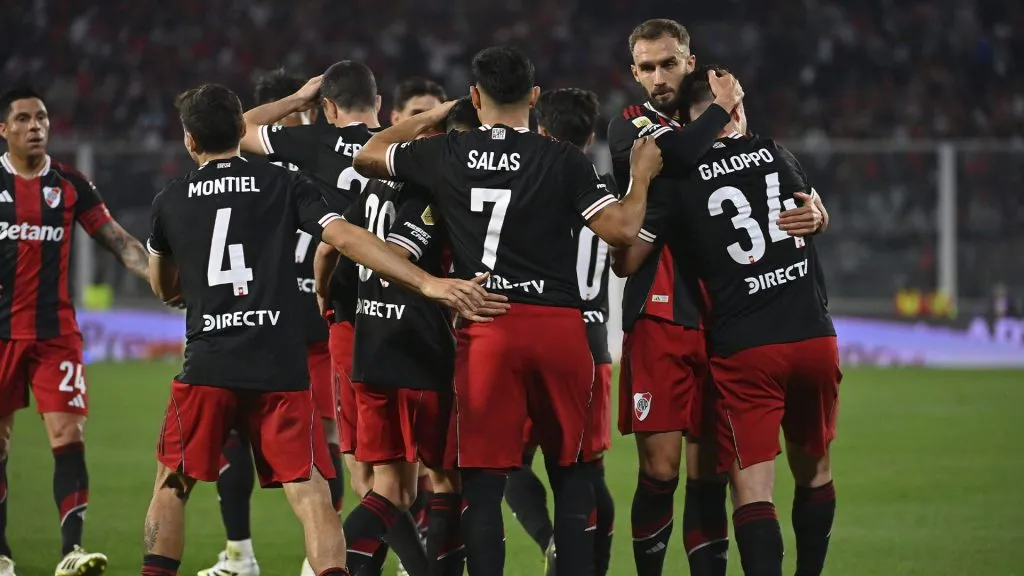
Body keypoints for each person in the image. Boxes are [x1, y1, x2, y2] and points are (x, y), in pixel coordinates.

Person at [140, 83, 493, 576]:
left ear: (189, 141)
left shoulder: (170, 199)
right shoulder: (282, 182)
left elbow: (164, 286)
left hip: (208, 361)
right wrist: (428, 283)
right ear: (239, 129)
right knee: (310, 493)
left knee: (172, 482)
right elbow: (344, 238)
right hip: (278, 366)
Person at [353, 45, 663, 575]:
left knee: (484, 479)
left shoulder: (448, 151)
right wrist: (641, 177)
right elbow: (621, 231)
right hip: (559, 329)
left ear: (474, 96)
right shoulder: (563, 157)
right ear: (535, 98)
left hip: (487, 325)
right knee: (571, 471)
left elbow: (368, 153)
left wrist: (432, 115)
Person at [634, 66, 836, 576]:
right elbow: (807, 211)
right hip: (814, 334)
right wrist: (820, 216)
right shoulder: (775, 151)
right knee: (815, 472)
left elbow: (628, 257)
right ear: (736, 111)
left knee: (752, 490)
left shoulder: (676, 177)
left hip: (745, 345)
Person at [237, 61, 432, 574]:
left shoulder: (314, 142)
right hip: (408, 311)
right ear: (380, 99)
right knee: (402, 478)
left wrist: (295, 101)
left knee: (366, 468)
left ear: (326, 106)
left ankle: (334, 562)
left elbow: (237, 128)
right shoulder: (398, 148)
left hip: (346, 311)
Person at [605, 18, 740, 576]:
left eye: (668, 63)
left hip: (725, 314)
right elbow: (680, 158)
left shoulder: (714, 121)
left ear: (690, 60)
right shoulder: (629, 127)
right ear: (633, 74)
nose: (659, 77)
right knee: (660, 472)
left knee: (710, 472)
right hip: (659, 311)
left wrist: (816, 209)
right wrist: (721, 114)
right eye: (647, 67)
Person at [0, 86, 153, 576]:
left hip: (56, 334)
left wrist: (160, 277)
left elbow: (118, 241)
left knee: (68, 434)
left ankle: (71, 551)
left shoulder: (69, 183)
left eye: (41, 117)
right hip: (1, 335)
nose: (35, 126)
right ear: (4, 130)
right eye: (22, 119)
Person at [200, 67, 323, 576]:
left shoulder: (318, 159)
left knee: (321, 452)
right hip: (254, 321)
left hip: (313, 331)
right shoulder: (249, 170)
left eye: (300, 114)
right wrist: (294, 101)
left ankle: (315, 560)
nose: (292, 124)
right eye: (284, 115)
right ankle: (240, 553)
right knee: (233, 442)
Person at [501, 88, 616, 576]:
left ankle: (557, 546)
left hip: (540, 334)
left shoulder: (532, 187)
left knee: (509, 464)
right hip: (593, 347)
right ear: (591, 137)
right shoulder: (608, 192)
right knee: (588, 474)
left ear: (540, 132)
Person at [388, 77, 448, 576]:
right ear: (397, 120)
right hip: (385, 331)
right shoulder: (394, 181)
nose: (429, 129)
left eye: (436, 119)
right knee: (384, 479)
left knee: (414, 476)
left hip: (415, 335)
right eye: (419, 118)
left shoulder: (437, 179)